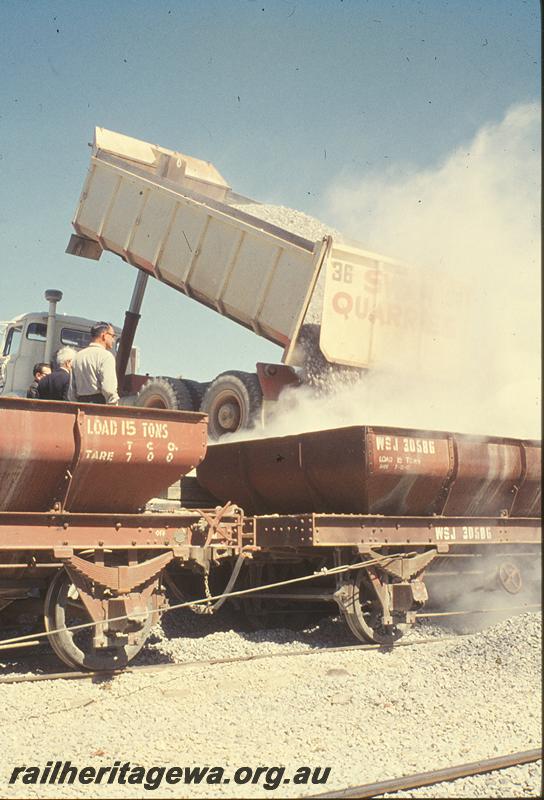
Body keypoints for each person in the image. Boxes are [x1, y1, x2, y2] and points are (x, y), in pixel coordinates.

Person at [69, 322, 119, 405]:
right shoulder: (106, 356)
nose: (113, 340)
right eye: (112, 336)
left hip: (80, 407)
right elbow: (109, 389)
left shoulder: (77, 357)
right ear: (104, 335)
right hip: (99, 407)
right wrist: (113, 407)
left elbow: (71, 392)